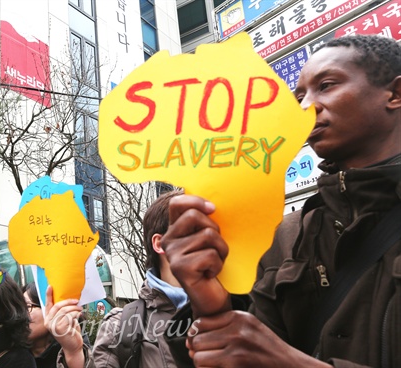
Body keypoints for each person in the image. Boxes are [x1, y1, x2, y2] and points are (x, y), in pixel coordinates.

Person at [160, 34, 401, 367]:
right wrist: (211, 307)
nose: (304, 107)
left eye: (327, 85)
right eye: (299, 96)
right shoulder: (285, 236)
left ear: (395, 94)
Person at [92, 189, 190, 367]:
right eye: (193, 230)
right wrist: (73, 354)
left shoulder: (240, 312)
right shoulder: (119, 327)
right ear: (160, 244)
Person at [23, 282, 94, 368]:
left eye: (27, 307)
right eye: (19, 307)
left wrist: (74, 353)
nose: (20, 315)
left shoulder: (75, 345)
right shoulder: (11, 354)